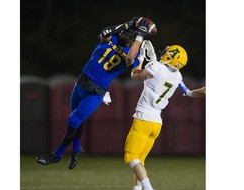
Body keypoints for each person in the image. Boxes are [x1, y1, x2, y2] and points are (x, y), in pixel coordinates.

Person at [36, 17, 156, 169]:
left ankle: (57, 155)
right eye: (129, 31)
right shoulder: (112, 37)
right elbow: (104, 32)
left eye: (132, 34)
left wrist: (139, 36)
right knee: (77, 119)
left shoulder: (135, 53)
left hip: (96, 90)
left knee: (73, 121)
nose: (127, 34)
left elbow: (130, 59)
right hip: (81, 81)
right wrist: (126, 24)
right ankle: (76, 149)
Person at [119, 40, 202, 190]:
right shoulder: (177, 76)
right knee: (140, 160)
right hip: (156, 123)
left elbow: (135, 75)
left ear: (171, 56)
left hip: (143, 119)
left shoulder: (156, 67)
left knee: (130, 157)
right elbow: (189, 93)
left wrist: (141, 58)